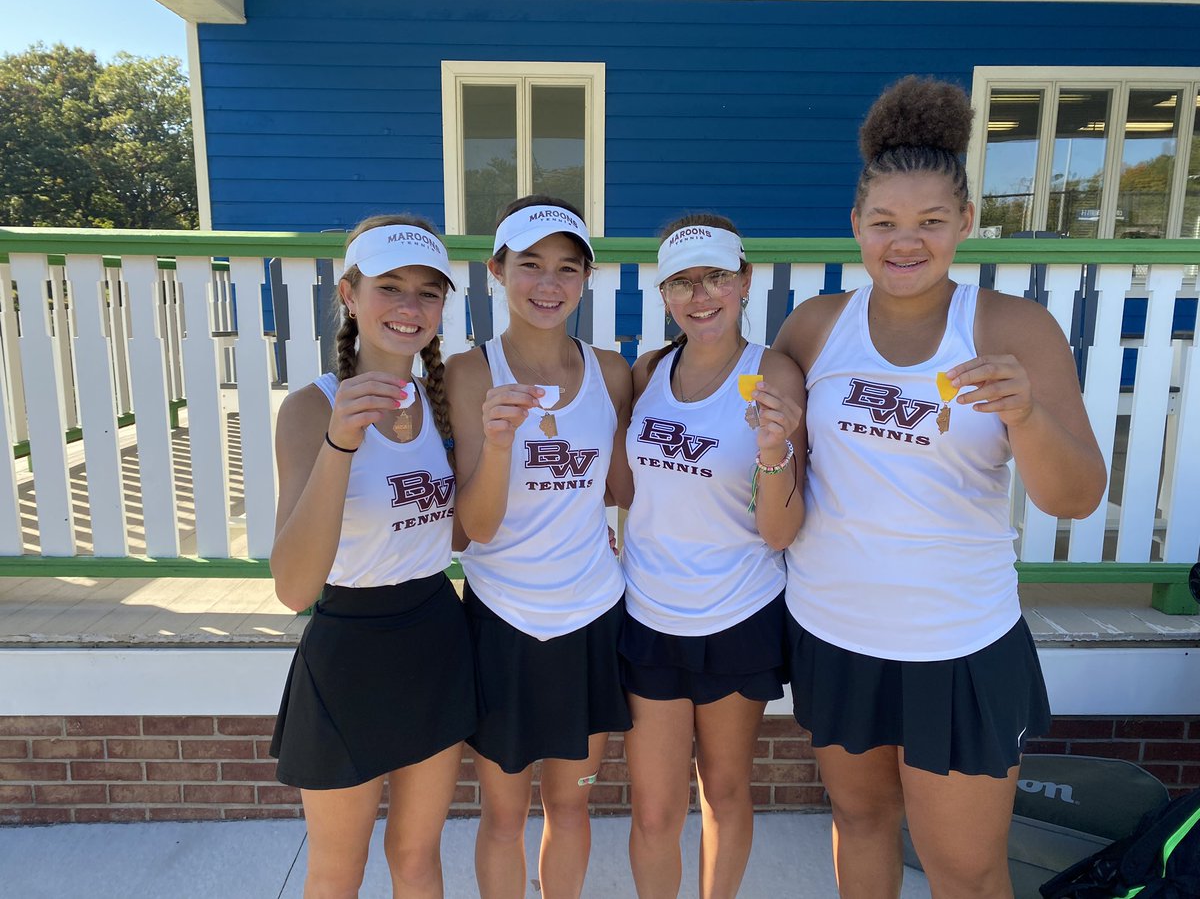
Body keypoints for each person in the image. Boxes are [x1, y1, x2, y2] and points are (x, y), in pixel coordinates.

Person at [772, 76, 1107, 899]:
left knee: (964, 869)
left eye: (929, 222)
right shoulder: (816, 326)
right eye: (884, 223)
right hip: (833, 630)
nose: (905, 242)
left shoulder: (1012, 328)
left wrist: (1026, 415)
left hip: (955, 643)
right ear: (856, 228)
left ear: (965, 223)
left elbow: (1075, 498)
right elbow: (775, 465)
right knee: (859, 827)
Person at [268, 215, 475, 898]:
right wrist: (340, 443)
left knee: (417, 855)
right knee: (337, 869)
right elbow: (295, 587)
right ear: (350, 295)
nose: (410, 308)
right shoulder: (309, 409)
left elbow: (461, 534)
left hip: (436, 634)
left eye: (428, 291)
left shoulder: (445, 405)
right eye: (390, 287)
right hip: (348, 652)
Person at [445, 195, 634, 899]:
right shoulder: (469, 373)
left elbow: (621, 490)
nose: (548, 285)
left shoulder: (613, 372)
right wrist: (498, 443)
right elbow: (476, 527)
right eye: (530, 265)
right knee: (501, 816)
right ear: (497, 271)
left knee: (573, 805)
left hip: (591, 616)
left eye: (566, 268)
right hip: (502, 619)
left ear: (586, 280)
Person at [619, 215, 806, 898]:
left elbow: (782, 531)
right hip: (648, 614)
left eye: (716, 277)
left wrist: (775, 454)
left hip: (739, 613)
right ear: (665, 293)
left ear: (745, 280)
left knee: (725, 792)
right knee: (656, 810)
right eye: (683, 282)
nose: (701, 295)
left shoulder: (774, 372)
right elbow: (626, 486)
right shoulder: (648, 371)